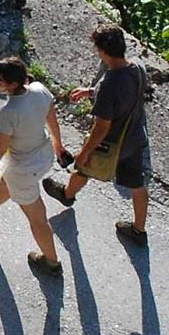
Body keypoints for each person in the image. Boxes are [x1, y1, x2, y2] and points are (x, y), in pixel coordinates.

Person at [43, 24, 153, 246]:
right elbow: (127, 92)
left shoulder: (111, 83)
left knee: (83, 167)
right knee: (138, 184)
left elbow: (102, 127)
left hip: (111, 144)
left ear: (102, 51)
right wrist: (92, 91)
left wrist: (84, 152)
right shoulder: (137, 66)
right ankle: (139, 231)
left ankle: (67, 194)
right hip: (135, 137)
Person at [0, 56, 65, 277]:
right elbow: (52, 120)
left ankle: (51, 262)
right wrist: (58, 146)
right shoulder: (39, 89)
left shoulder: (9, 112)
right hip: (43, 154)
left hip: (23, 168)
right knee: (9, 180)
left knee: (37, 217)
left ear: (12, 84)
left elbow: (0, 149)